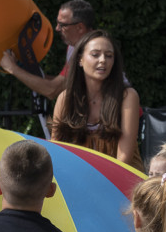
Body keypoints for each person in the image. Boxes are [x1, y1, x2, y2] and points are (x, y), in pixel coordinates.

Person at [52, 30, 143, 171]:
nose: (103, 60)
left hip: (121, 177)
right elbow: (56, 150)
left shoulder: (127, 96)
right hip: (78, 177)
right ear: (80, 60)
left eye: (109, 56)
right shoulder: (65, 99)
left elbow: (124, 157)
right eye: (95, 54)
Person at [0, 0, 94, 100]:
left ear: (80, 28)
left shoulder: (87, 50)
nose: (57, 28)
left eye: (62, 25)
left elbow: (52, 90)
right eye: (57, 23)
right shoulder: (73, 46)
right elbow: (65, 83)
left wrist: (13, 68)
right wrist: (23, 69)